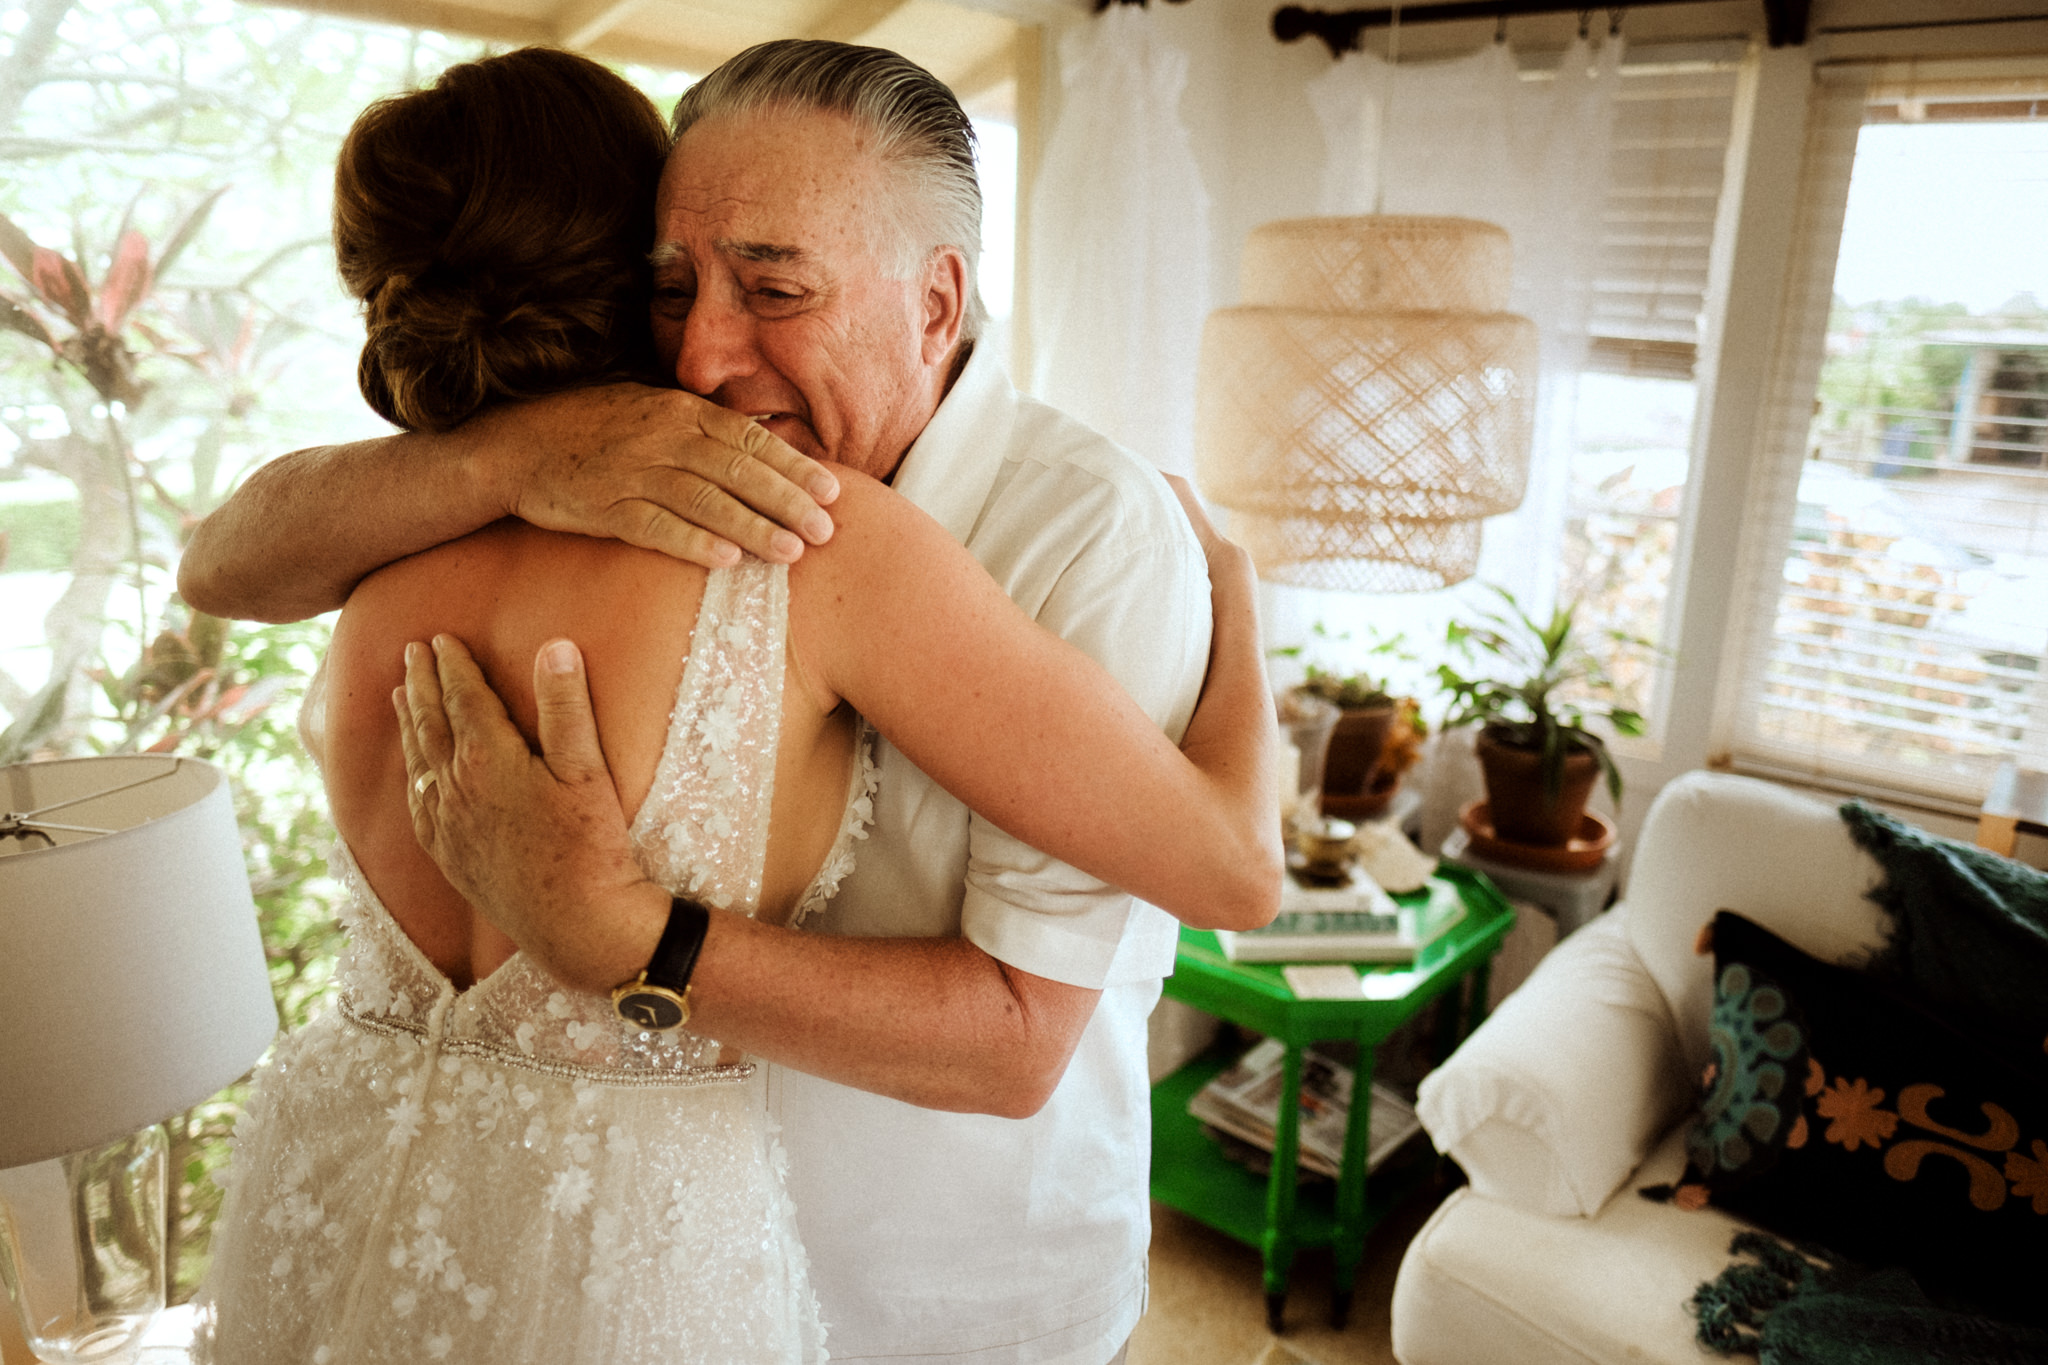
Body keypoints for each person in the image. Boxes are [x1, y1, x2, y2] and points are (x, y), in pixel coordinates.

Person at [181, 41, 1277, 1365]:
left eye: (772, 287)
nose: (703, 354)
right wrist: (513, 457)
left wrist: (641, 938)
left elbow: (1038, 1028)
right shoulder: (765, 531)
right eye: (671, 285)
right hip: (658, 1260)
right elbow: (220, 557)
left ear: (938, 306)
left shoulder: (379, 580)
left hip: (889, 1283)